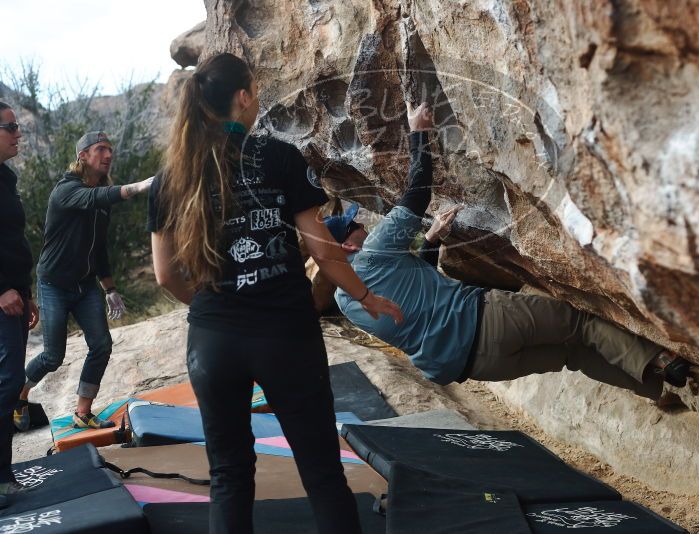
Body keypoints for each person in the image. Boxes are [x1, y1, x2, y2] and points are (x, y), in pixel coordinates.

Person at [148, 52, 402, 534]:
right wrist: (367, 298)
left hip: (213, 341)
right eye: (256, 91)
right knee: (322, 471)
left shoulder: (171, 178)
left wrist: (210, 308)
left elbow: (165, 275)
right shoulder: (280, 157)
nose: (258, 99)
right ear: (242, 98)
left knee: (229, 474)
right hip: (286, 334)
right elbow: (324, 251)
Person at [331, 102, 690, 401]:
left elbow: (413, 301)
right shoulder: (372, 254)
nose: (362, 225)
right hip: (487, 322)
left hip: (477, 366)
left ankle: (653, 387)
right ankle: (660, 361)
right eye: (354, 226)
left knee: (574, 353)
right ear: (348, 244)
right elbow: (417, 193)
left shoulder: (347, 301)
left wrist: (431, 241)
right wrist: (418, 131)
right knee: (581, 322)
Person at [15, 131, 153, 431]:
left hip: (86, 285)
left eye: (110, 150)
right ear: (83, 156)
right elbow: (93, 197)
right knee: (53, 356)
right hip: (54, 285)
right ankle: (20, 393)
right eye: (100, 149)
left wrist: (111, 290)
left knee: (102, 344)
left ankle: (82, 411)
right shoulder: (66, 190)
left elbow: (99, 249)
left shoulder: (100, 200)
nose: (108, 155)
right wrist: (140, 186)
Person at [0, 101, 39, 500]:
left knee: (7, 384)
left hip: (13, 299)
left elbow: (12, 243)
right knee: (7, 382)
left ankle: (5, 473)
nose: (17, 133)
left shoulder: (5, 179)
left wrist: (24, 291)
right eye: (9, 127)